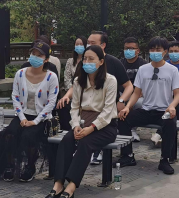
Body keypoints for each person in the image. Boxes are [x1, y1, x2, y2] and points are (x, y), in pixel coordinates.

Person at [43, 45, 118, 198]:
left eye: (91, 59)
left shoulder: (110, 81)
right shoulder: (78, 81)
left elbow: (107, 111)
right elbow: (75, 107)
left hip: (105, 126)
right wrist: (76, 125)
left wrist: (91, 128)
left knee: (85, 143)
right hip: (83, 123)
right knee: (66, 141)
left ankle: (71, 186)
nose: (87, 62)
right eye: (85, 59)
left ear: (101, 61)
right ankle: (58, 184)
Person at [57, 31, 133, 165]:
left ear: (103, 45)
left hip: (106, 108)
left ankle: (126, 154)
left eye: (93, 43)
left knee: (116, 118)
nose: (88, 45)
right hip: (86, 112)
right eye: (88, 43)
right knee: (64, 108)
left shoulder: (114, 63)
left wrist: (122, 101)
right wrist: (67, 96)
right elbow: (77, 84)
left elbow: (129, 86)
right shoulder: (84, 63)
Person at [0, 41, 59, 183]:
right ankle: (9, 166)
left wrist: (36, 121)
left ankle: (29, 166)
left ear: (46, 59)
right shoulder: (20, 74)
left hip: (42, 117)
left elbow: (51, 103)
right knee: (10, 133)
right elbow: (15, 96)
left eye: (39, 55)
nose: (35, 57)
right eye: (33, 53)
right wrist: (22, 118)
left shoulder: (51, 77)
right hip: (23, 114)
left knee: (29, 136)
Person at [117, 37, 179, 175]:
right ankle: (127, 156)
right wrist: (127, 107)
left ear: (165, 51)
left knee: (170, 124)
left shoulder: (172, 70)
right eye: (152, 49)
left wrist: (172, 106)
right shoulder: (143, 69)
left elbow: (177, 94)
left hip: (163, 111)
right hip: (146, 110)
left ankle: (165, 160)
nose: (155, 52)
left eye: (158, 49)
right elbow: (136, 93)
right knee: (123, 118)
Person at [59, 36, 87, 131]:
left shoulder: (87, 62)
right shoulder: (70, 61)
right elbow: (67, 78)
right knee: (62, 104)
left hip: (85, 93)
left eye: (81, 44)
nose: (79, 46)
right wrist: (70, 93)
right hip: (72, 92)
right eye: (77, 44)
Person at [121, 37, 146, 142]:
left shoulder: (144, 65)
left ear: (138, 50)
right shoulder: (119, 63)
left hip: (138, 95)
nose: (128, 51)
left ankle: (132, 129)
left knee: (139, 103)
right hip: (122, 93)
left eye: (131, 48)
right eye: (126, 48)